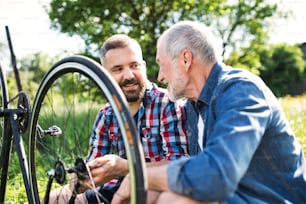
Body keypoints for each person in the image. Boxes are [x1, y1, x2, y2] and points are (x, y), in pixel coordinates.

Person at [111, 21, 306, 204]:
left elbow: (215, 176)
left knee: (174, 200)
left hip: (276, 200)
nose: (160, 76)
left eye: (162, 64)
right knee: (151, 192)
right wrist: (136, 176)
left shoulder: (241, 91)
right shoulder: (194, 106)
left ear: (185, 59)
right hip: (234, 196)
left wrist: (142, 177)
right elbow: (191, 168)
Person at [48, 34, 188, 203]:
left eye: (134, 65)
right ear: (105, 77)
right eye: (118, 69)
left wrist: (125, 168)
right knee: (53, 199)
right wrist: (84, 177)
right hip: (114, 189)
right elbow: (95, 165)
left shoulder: (167, 103)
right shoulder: (106, 115)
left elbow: (179, 165)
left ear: (143, 66)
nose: (129, 75)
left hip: (155, 189)